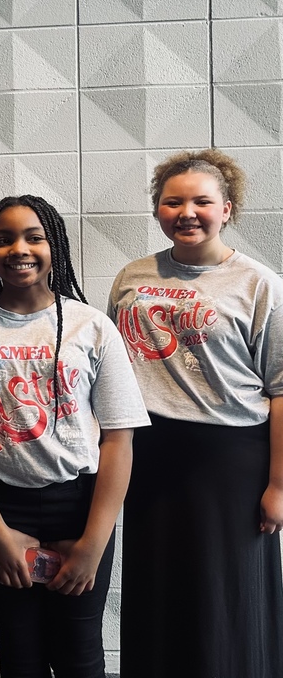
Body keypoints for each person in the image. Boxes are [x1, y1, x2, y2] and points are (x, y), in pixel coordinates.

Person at [0, 195, 148, 678]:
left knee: (80, 654)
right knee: (19, 653)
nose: (18, 249)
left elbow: (119, 439)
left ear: (56, 247)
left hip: (80, 506)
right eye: (3, 239)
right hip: (0, 507)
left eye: (33, 237)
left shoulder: (93, 327)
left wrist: (94, 542)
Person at [108, 149, 283, 678]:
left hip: (229, 459)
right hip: (148, 454)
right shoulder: (132, 275)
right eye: (172, 201)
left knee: (225, 591)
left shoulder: (259, 283)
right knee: (158, 584)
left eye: (202, 201)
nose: (187, 212)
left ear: (226, 209)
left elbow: (280, 387)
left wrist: (278, 484)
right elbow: (112, 368)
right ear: (158, 210)